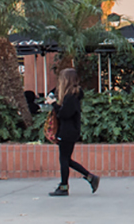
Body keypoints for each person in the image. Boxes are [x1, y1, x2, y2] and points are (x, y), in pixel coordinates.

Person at [45, 68, 100, 197]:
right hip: (69, 131)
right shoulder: (71, 95)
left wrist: (54, 104)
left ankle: (65, 186)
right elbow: (52, 93)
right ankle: (89, 177)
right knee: (66, 159)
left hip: (67, 131)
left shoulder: (71, 97)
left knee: (64, 159)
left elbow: (64, 114)